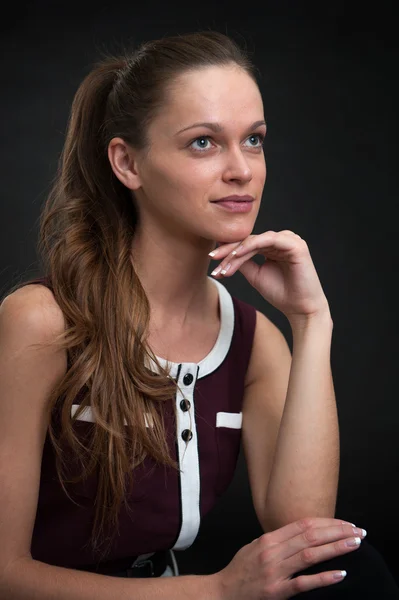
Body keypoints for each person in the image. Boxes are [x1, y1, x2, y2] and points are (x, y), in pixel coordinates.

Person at [0, 30, 397, 600]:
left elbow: (304, 532)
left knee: (349, 571)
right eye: (204, 143)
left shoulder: (254, 341)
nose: (242, 170)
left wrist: (312, 322)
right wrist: (215, 593)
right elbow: (5, 574)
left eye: (254, 140)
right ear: (127, 163)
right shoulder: (42, 321)